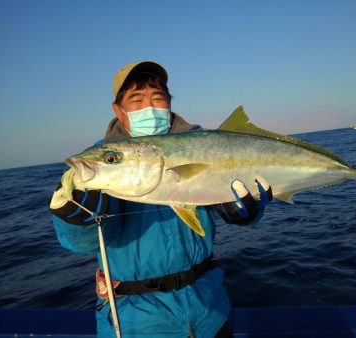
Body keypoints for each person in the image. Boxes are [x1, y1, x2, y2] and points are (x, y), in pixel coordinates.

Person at [50, 60, 272, 338]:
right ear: (118, 110)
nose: (149, 106)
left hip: (209, 311)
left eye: (158, 98)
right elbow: (80, 243)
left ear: (169, 104)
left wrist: (249, 212)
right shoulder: (100, 165)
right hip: (137, 323)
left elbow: (240, 200)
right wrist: (77, 219)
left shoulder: (204, 142)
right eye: (136, 98)